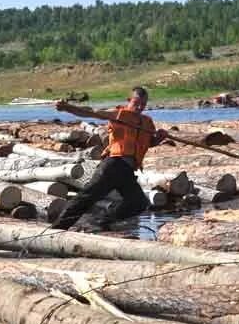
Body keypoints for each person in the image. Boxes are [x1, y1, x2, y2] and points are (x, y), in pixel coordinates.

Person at [51, 86, 167, 230]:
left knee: (138, 202)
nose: (139, 107)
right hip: (112, 166)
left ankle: (99, 224)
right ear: (129, 100)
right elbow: (91, 113)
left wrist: (159, 138)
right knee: (87, 197)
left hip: (127, 171)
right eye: (136, 103)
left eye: (143, 104)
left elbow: (147, 143)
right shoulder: (118, 114)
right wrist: (67, 108)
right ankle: (56, 229)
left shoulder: (147, 122)